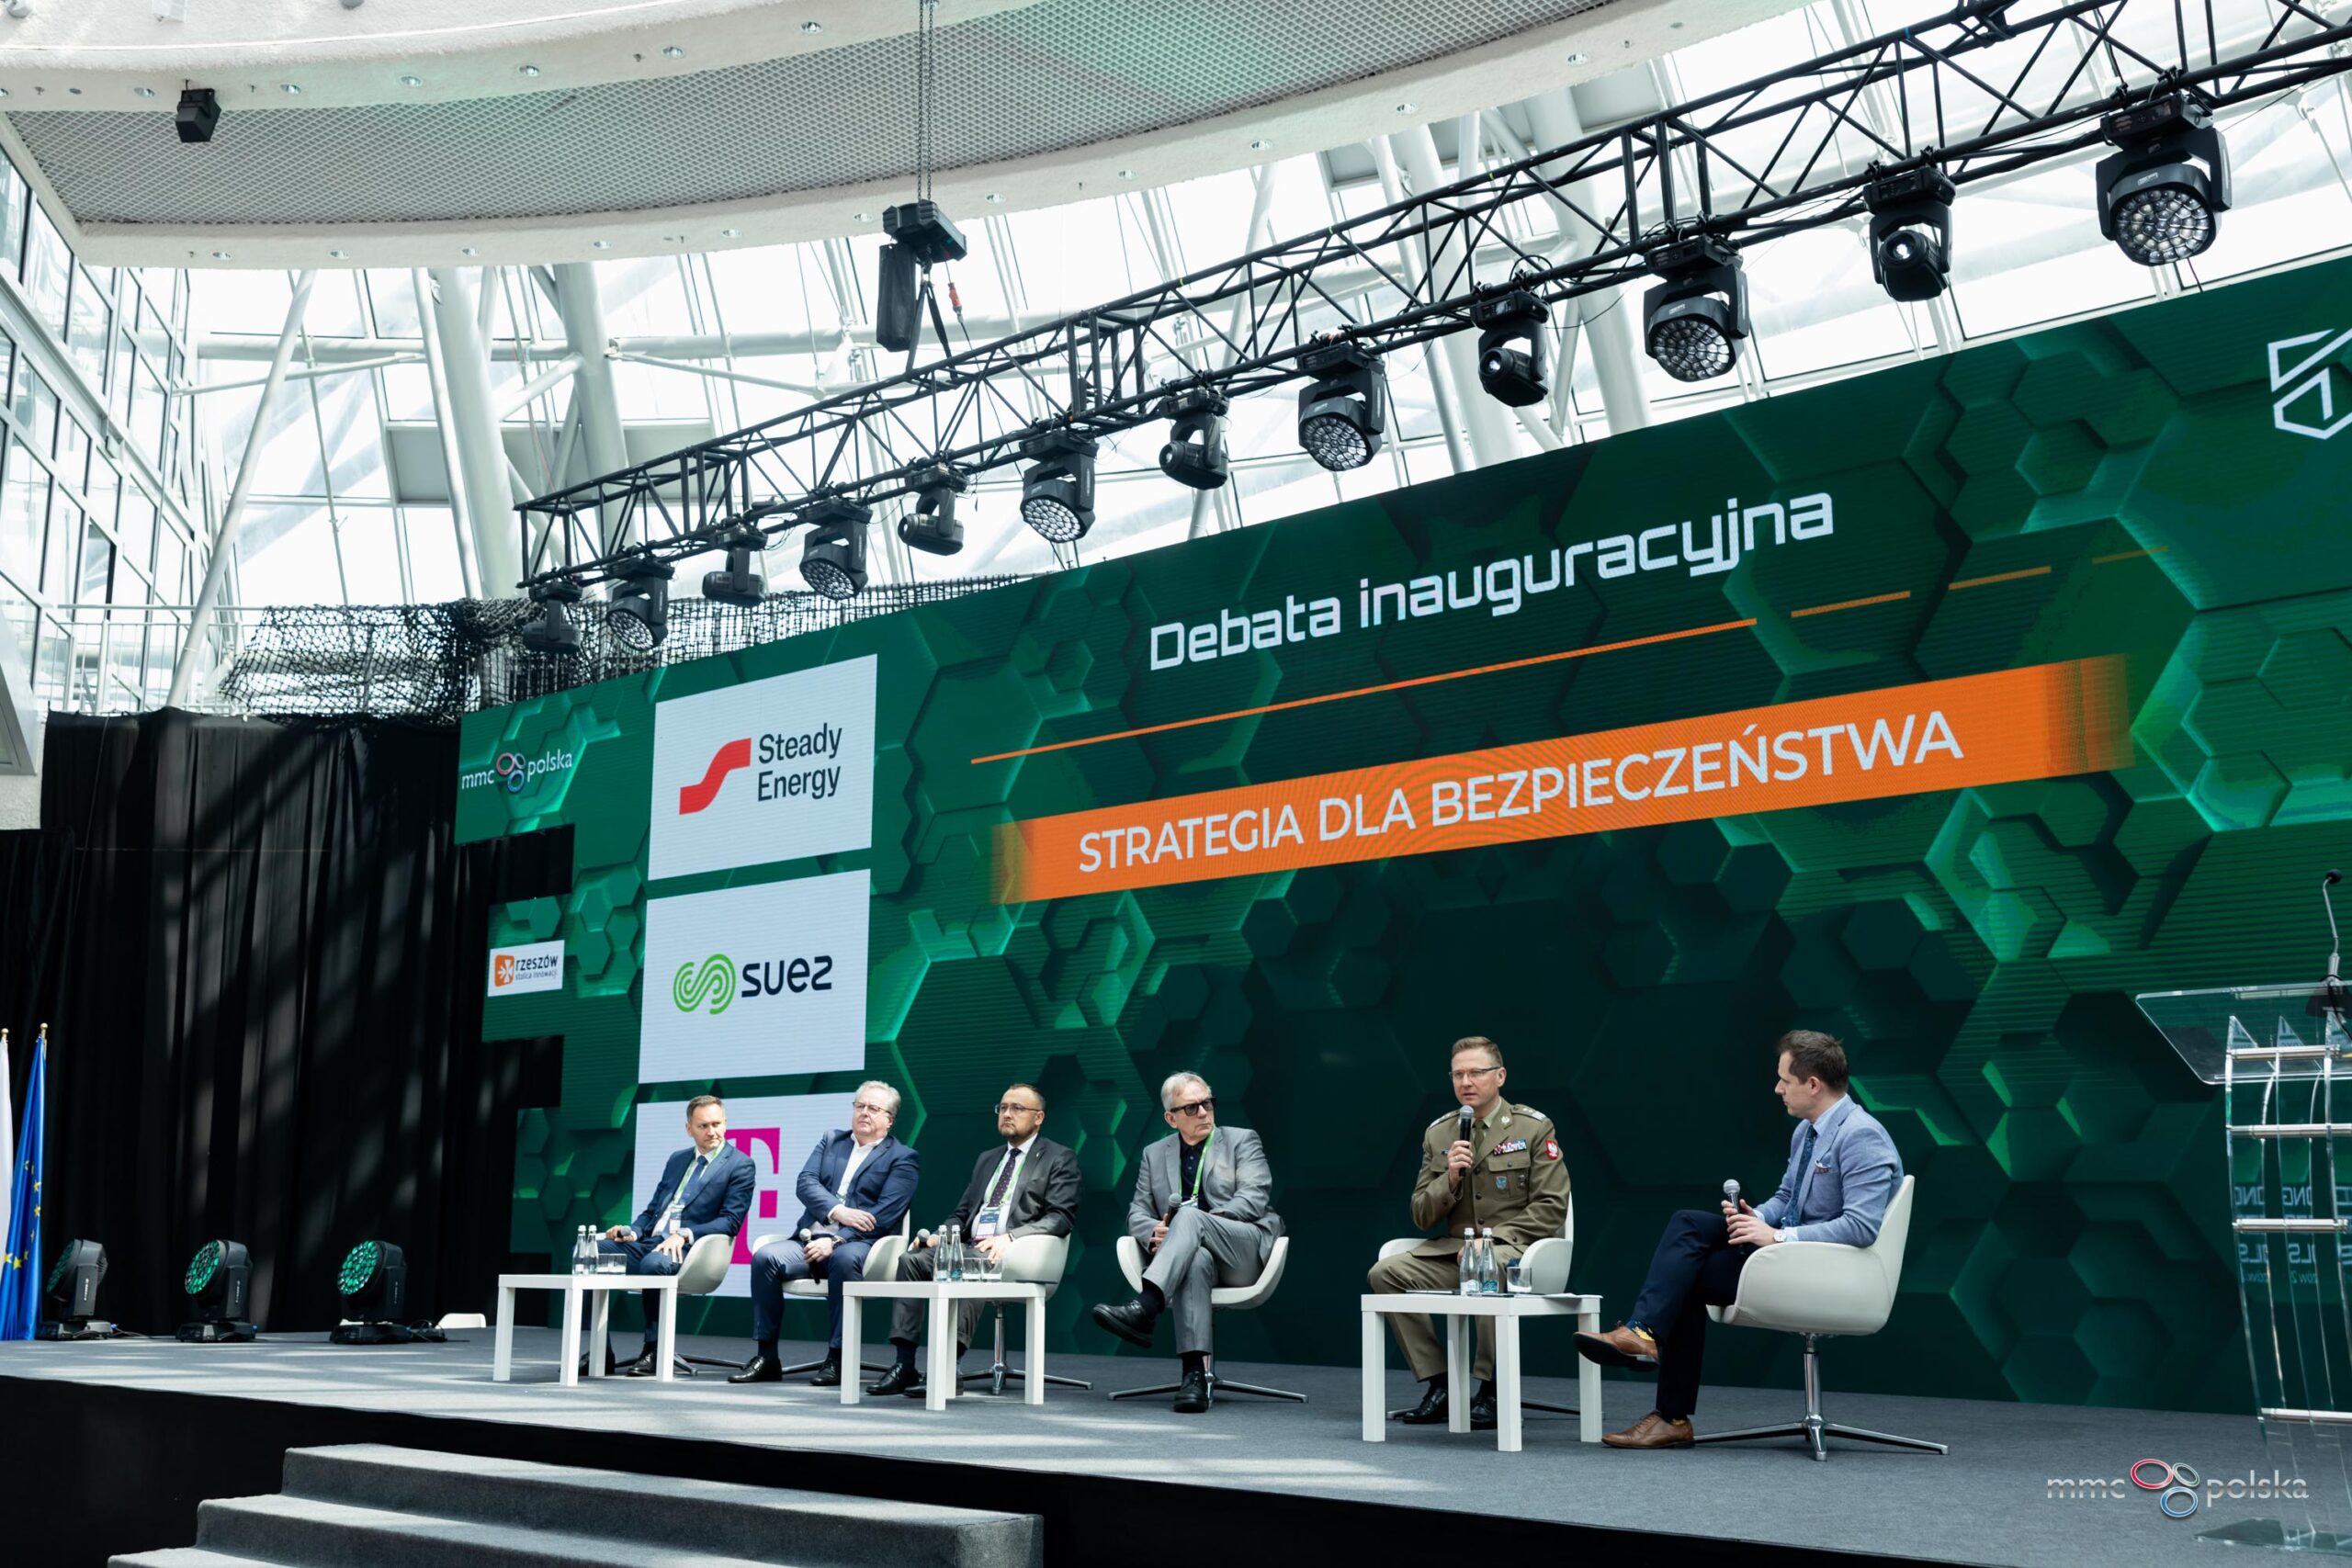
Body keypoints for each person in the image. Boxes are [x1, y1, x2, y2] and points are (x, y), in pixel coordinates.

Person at [1574, 1030, 1901, 1448]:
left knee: (1687, 1273)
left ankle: (1664, 1394)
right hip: (1791, 1254)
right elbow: (1786, 1197)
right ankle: (1645, 1344)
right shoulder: (1806, 1132)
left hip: (1827, 1271)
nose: (1777, 1088)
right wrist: (1755, 1218)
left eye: (1784, 1080)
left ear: (1813, 1084)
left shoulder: (1862, 1135)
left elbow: (1860, 1226)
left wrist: (1776, 1236)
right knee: (1688, 1224)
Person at [1365, 1036, 1568, 1429]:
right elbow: (1421, 1214)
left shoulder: (1532, 1127)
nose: (1466, 1082)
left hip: (1517, 1252)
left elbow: (1551, 1206)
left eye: (1476, 1072)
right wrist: (1451, 1179)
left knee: (1487, 1267)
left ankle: (1492, 1390)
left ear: (1500, 1076)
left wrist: (1489, 1243)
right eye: (1458, 1074)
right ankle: (1441, 1385)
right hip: (1455, 1251)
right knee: (1385, 1273)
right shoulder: (1440, 1133)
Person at [867, 1083, 1080, 1398]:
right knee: (911, 1261)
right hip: (969, 1245)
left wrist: (1011, 1238)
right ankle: (904, 1364)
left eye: (1017, 1108)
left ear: (1039, 1118)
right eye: (1003, 1108)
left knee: (969, 1265)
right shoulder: (988, 1158)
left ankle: (948, 1368)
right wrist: (940, 1235)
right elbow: (962, 1214)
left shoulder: (1058, 1157)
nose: (1007, 1114)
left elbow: (1060, 1217)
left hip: (1016, 1252)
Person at [1090, 1072, 1282, 1414]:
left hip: (1242, 1250)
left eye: (1208, 1103)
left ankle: (1146, 1306)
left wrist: (1189, 1225)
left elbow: (1253, 1200)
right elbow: (1137, 1212)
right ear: (1171, 1118)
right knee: (1195, 1259)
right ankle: (1193, 1376)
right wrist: (1156, 1231)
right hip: (1191, 1258)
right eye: (1192, 1108)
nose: (1204, 1112)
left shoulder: (1241, 1140)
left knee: (1189, 1219)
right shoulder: (1154, 1154)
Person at [730, 1081, 919, 1388]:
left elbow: (885, 1214)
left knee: (843, 1259)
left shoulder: (902, 1157)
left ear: (890, 1120)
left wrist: (836, 1240)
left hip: (861, 1244)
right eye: (859, 1106)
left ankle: (839, 1358)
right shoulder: (831, 1140)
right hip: (809, 1239)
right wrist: (838, 1211)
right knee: (765, 1258)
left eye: (873, 1108)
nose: (864, 1113)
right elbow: (805, 1183)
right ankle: (767, 1356)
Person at [592, 1093, 755, 1375]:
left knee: (654, 1264)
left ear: (726, 1123)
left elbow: (730, 1222)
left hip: (690, 1249)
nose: (712, 1131)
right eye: (703, 1126)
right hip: (651, 1242)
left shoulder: (739, 1164)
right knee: (590, 1253)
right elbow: (653, 1210)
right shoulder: (677, 1159)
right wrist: (631, 1231)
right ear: (689, 1129)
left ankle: (654, 1350)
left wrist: (685, 1234)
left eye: (716, 1124)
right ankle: (599, 1352)